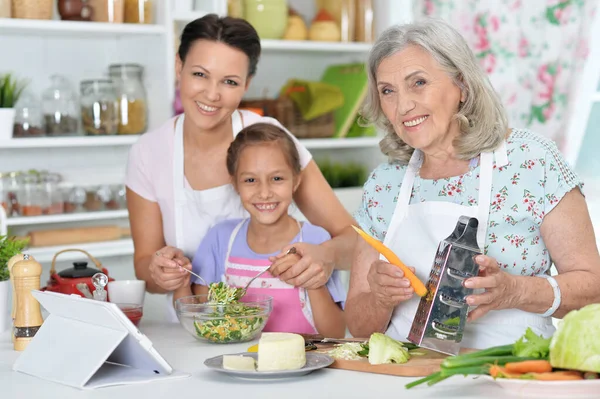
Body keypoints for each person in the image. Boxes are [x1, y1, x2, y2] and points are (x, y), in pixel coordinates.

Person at [345, 18, 600, 349]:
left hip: (513, 370)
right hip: (406, 372)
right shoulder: (385, 184)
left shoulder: (531, 162)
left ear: (461, 85)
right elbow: (357, 325)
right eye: (387, 91)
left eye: (418, 82)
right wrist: (380, 299)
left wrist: (516, 290)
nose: (403, 105)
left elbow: (593, 287)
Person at [125, 14, 356, 321]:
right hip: (193, 331)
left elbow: (353, 242)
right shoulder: (147, 153)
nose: (211, 94)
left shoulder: (269, 139)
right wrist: (160, 272)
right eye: (199, 74)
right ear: (179, 67)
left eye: (230, 82)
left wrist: (323, 257)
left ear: (247, 84)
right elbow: (144, 262)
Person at [174, 123, 346, 337]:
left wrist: (309, 279)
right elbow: (202, 318)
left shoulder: (316, 239)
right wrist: (179, 279)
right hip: (239, 361)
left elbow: (336, 333)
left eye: (277, 179)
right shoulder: (220, 238)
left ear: (295, 181)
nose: (264, 193)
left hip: (304, 360)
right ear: (235, 184)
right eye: (250, 180)